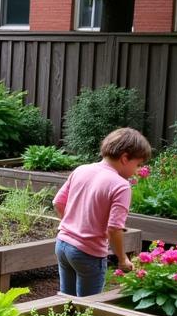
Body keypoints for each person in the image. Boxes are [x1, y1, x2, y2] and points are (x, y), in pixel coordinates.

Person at [53, 126, 151, 296]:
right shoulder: (120, 185)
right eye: (138, 164)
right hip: (88, 253)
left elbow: (58, 202)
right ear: (125, 158)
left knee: (65, 302)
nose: (136, 172)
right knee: (88, 308)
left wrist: (72, 224)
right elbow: (114, 228)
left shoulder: (81, 170)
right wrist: (122, 259)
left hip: (62, 245)